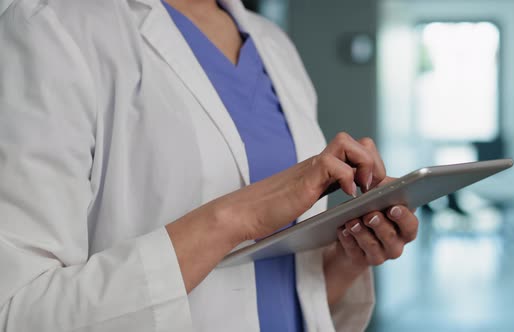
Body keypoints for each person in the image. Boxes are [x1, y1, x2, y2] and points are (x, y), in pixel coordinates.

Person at [0, 0, 419, 331]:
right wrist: (238, 216)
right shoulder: (52, 27)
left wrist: (351, 255)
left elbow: (277, 298)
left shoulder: (274, 45)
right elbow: (19, 311)